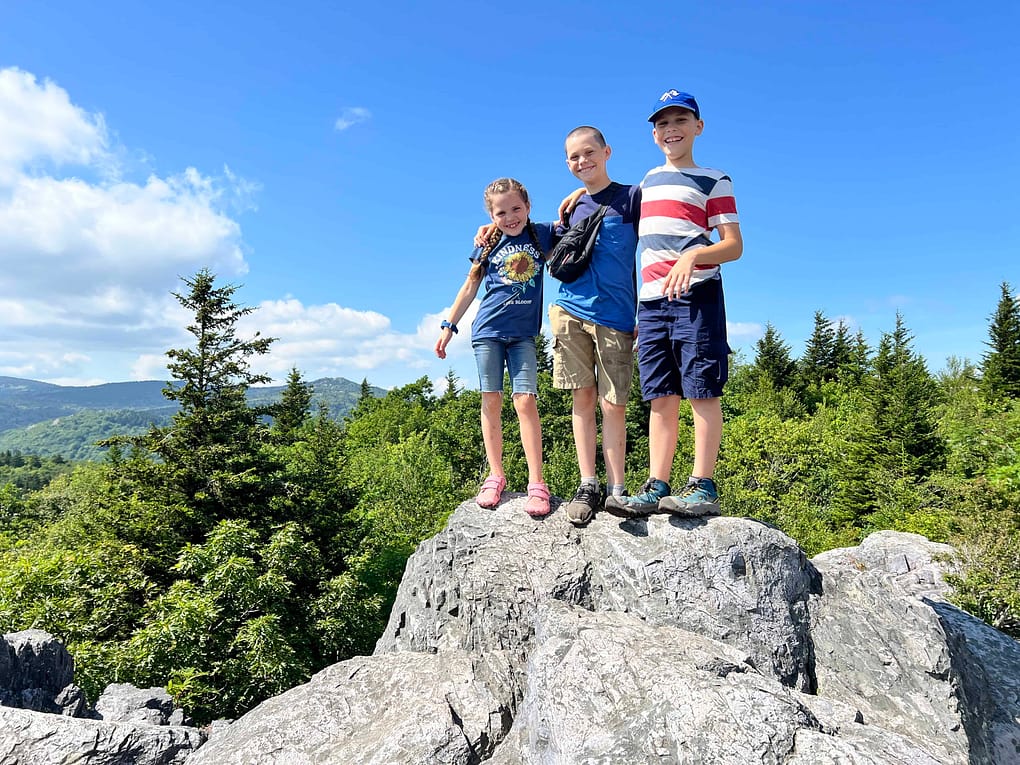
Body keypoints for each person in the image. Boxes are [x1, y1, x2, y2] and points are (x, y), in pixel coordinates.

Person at [605, 89, 743, 519]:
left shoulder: (714, 179)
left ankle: (702, 486)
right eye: (662, 123)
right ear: (653, 133)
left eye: (680, 121)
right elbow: (605, 198)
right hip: (651, 306)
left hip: (696, 298)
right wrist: (571, 199)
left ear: (698, 127)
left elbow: (733, 246)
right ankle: (656, 485)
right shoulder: (646, 184)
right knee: (660, 395)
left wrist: (692, 255)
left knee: (701, 390)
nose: (671, 130)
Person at [435, 177, 556, 518]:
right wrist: (449, 326)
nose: (510, 217)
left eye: (517, 208)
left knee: (526, 401)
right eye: (501, 212)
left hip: (524, 336)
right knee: (491, 399)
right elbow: (471, 284)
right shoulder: (489, 242)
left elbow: (574, 215)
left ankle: (537, 482)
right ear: (491, 215)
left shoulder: (540, 234)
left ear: (529, 208)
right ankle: (495, 475)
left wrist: (577, 191)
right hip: (487, 331)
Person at [551, 127, 641, 527]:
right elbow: (527, 231)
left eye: (589, 152)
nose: (582, 161)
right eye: (574, 157)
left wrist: (647, 311)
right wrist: (491, 230)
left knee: (614, 402)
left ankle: (618, 490)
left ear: (606, 152)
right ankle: (589, 484)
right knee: (583, 400)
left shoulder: (633, 198)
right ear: (567, 163)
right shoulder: (572, 209)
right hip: (570, 311)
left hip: (617, 316)